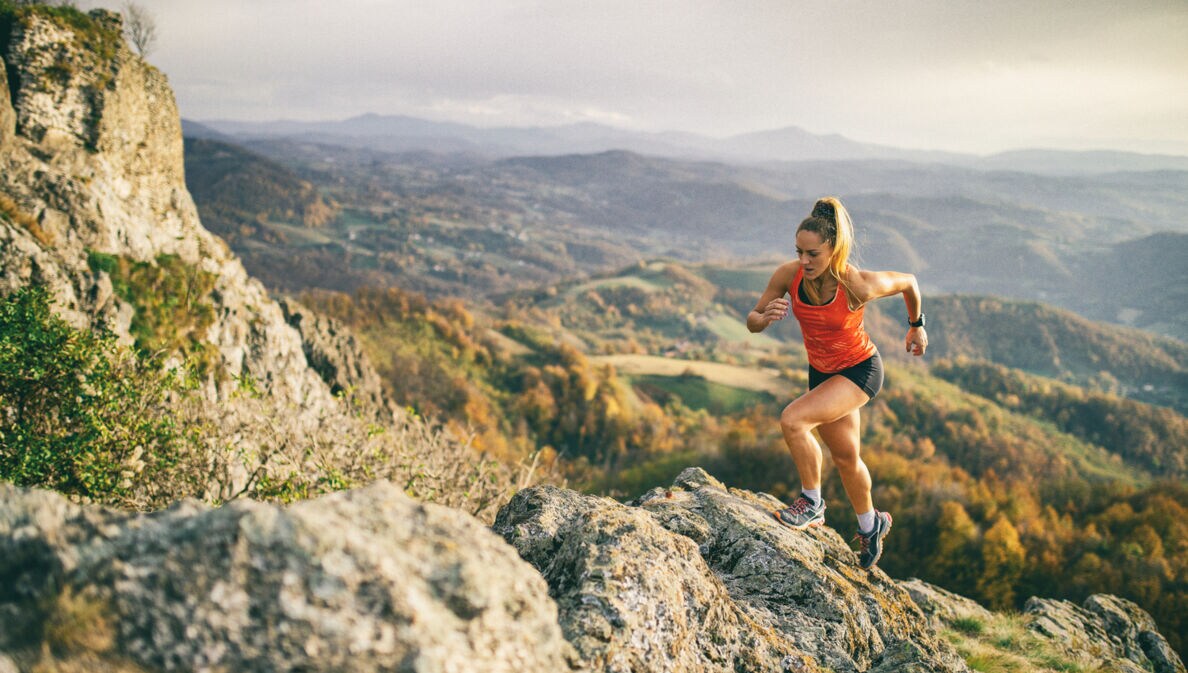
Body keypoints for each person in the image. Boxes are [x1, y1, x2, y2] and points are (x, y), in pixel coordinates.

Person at [747, 196, 927, 569]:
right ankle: (870, 524)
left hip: (860, 370)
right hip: (824, 374)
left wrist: (916, 327)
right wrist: (764, 318)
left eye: (813, 253)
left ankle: (811, 503)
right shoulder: (788, 275)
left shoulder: (855, 284)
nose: (804, 261)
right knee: (846, 458)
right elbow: (752, 318)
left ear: (834, 250)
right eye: (799, 252)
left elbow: (908, 282)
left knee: (793, 420)